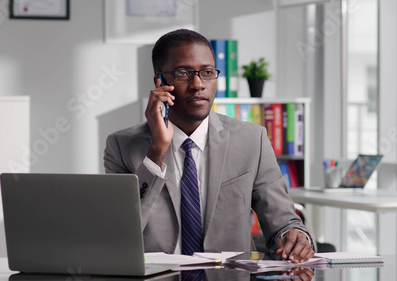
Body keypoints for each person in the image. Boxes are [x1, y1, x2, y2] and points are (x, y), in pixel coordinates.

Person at [104, 29, 314, 263]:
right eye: (183, 73)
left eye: (207, 72)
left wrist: (294, 236)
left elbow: (284, 222)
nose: (198, 84)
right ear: (159, 82)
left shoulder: (252, 140)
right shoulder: (121, 145)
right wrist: (158, 149)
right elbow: (118, 232)